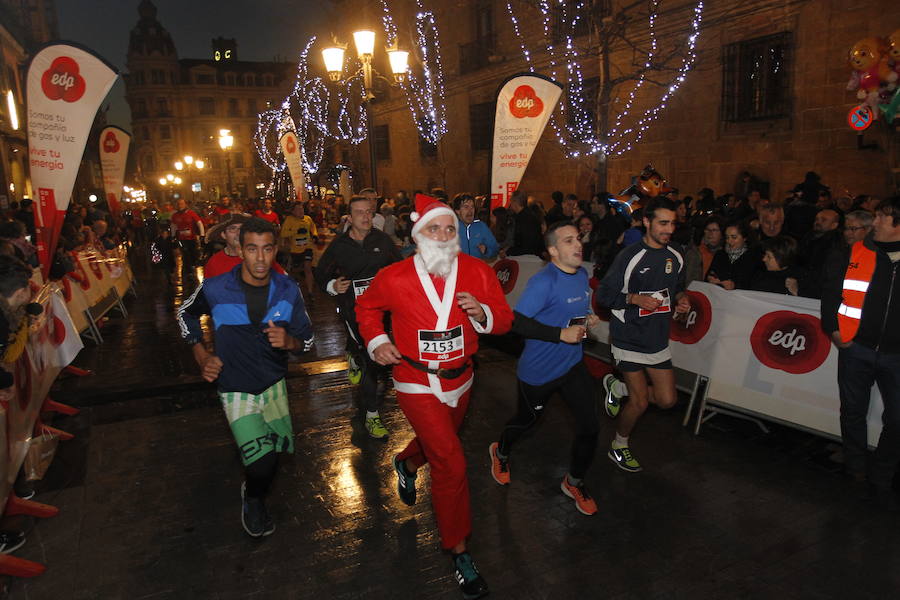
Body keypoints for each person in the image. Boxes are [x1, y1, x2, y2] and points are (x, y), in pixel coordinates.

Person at [356, 194, 513, 599]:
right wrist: (377, 341)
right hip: (415, 380)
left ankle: (407, 461)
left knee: (436, 448)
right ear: (417, 235)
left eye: (448, 228)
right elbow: (367, 309)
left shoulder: (478, 271)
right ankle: (458, 549)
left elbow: (504, 319)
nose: (443, 235)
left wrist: (483, 314)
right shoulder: (395, 276)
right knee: (452, 462)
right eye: (433, 228)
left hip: (461, 380)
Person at [177, 218, 314, 537]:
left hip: (274, 386)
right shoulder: (215, 287)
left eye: (267, 249)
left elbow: (306, 340)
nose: (260, 258)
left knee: (272, 459)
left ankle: (255, 489)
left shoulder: (288, 289)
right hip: (235, 388)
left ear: (275, 249)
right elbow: (185, 312)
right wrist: (202, 355)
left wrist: (290, 341)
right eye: (252, 249)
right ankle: (253, 500)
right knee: (262, 462)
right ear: (241, 250)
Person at [488, 221, 601, 515]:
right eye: (568, 241)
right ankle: (500, 451)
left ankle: (573, 480)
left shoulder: (582, 275)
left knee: (590, 426)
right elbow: (517, 322)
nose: (578, 245)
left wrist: (587, 318)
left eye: (578, 239)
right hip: (538, 372)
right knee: (525, 422)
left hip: (572, 365)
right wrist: (559, 334)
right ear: (552, 250)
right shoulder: (543, 282)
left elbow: (574, 311)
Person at [596, 198, 691, 472]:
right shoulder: (629, 256)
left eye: (672, 223)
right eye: (663, 223)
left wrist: (683, 300)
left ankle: (618, 388)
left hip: (656, 337)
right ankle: (619, 445)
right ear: (647, 222)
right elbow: (604, 295)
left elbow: (678, 286)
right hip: (628, 335)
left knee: (667, 400)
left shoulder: (677, 253)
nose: (669, 229)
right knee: (639, 402)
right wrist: (635, 298)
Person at [821, 196, 900, 511]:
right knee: (852, 411)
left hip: (897, 357)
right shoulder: (855, 251)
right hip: (856, 349)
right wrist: (834, 329)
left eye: (881, 217)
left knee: (897, 419)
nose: (874, 222)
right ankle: (855, 468)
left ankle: (881, 474)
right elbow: (831, 291)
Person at [315, 195, 402, 438]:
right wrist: (333, 284)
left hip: (381, 312)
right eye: (359, 212)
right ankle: (371, 415)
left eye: (368, 212)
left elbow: (401, 268)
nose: (365, 216)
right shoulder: (339, 245)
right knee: (371, 361)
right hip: (353, 311)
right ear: (349, 218)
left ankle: (352, 351)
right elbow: (321, 274)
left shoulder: (383, 241)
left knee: (369, 354)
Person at [204, 214, 286, 279]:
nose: (238, 233)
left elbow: (283, 283)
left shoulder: (259, 257)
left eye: (242, 228)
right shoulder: (214, 263)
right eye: (233, 229)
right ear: (223, 235)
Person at [280, 202, 318, 296]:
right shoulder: (289, 220)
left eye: (301, 209)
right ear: (293, 211)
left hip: (307, 248)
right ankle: (293, 289)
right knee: (295, 271)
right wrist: (295, 231)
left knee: (307, 268)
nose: (300, 211)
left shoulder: (308, 219)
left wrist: (315, 235)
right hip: (295, 250)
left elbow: (313, 227)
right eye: (297, 209)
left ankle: (310, 292)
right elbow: (283, 233)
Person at [707, 221, 756, 290]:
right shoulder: (720, 254)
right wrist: (710, 279)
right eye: (727, 237)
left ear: (744, 238)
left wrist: (734, 285)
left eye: (734, 237)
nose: (729, 241)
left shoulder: (753, 257)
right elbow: (709, 275)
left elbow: (755, 284)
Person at [454, 193, 499, 260]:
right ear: (457, 211)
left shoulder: (481, 226)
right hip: (457, 269)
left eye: (472, 207)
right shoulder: (452, 229)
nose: (470, 211)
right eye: (466, 207)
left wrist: (486, 250)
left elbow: (495, 249)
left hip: (476, 268)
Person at [170, 198, 205, 278]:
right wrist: (173, 237)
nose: (180, 205)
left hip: (192, 238)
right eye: (178, 204)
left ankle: (192, 265)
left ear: (185, 204)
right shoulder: (175, 216)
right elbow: (173, 226)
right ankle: (188, 271)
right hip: (181, 239)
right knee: (185, 253)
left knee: (193, 253)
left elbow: (199, 223)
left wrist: (202, 235)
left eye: (182, 204)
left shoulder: (191, 213)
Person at [505, 191, 544, 257]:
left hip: (528, 257)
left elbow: (526, 243)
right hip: (528, 255)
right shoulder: (526, 216)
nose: (510, 204)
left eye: (510, 201)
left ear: (515, 202)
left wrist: (509, 251)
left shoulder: (525, 218)